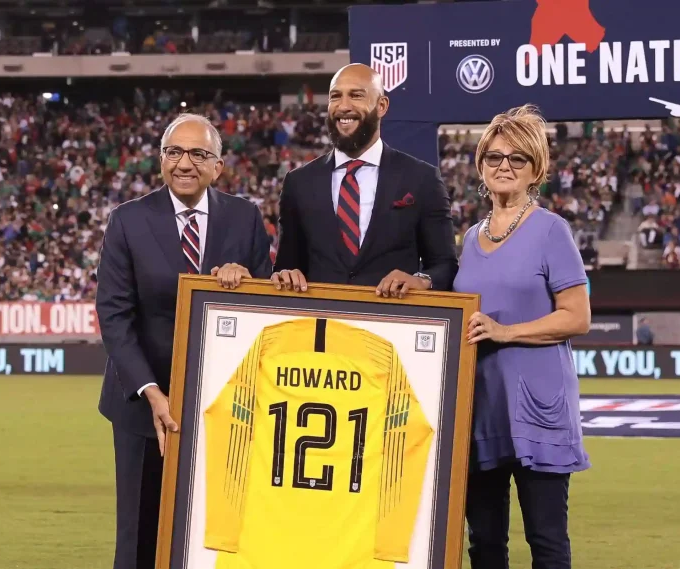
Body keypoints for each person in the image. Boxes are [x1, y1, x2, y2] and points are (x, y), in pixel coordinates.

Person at [95, 113, 273, 569]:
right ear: (161, 160)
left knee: (213, 537)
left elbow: (265, 312)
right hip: (142, 407)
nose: (184, 163)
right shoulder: (128, 221)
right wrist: (152, 392)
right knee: (139, 537)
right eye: (174, 152)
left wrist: (248, 282)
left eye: (198, 153)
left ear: (218, 165)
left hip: (222, 408)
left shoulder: (245, 218)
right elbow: (115, 317)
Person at [452, 105, 592, 569]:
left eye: (517, 159)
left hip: (538, 406)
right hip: (481, 408)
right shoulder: (469, 238)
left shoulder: (553, 230)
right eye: (494, 158)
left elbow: (577, 317)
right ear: (480, 166)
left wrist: (505, 330)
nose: (504, 167)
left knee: (546, 541)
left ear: (536, 169)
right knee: (485, 544)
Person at [271, 63, 458, 296]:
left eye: (356, 95)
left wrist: (421, 280)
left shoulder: (422, 178)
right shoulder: (299, 183)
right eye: (335, 96)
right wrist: (286, 274)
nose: (344, 106)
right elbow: (287, 266)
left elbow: (445, 265)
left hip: (391, 324)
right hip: (321, 323)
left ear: (381, 106)